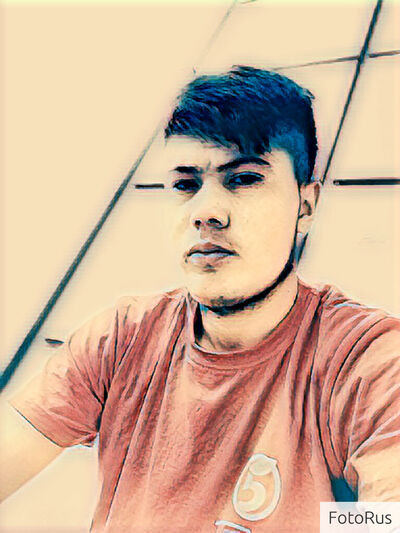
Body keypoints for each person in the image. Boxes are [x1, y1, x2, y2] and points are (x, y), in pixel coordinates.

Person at [1, 66, 399, 533]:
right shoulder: (122, 340)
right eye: (185, 185)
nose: (206, 212)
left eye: (244, 179)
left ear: (305, 205)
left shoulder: (365, 362)